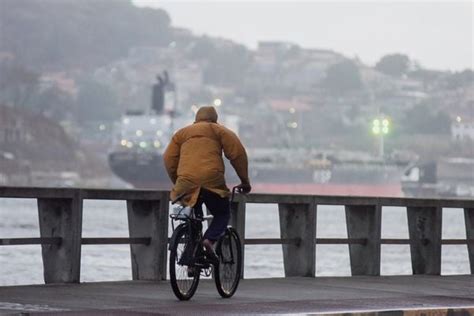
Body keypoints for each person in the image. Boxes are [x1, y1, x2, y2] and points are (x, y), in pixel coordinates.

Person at [163, 106, 251, 256]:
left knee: (193, 222)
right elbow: (238, 155)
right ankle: (209, 240)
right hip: (211, 182)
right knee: (222, 213)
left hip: (186, 183)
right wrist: (244, 181)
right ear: (214, 119)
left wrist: (179, 182)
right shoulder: (219, 131)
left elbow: (168, 159)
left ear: (196, 119)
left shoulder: (182, 133)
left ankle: (190, 261)